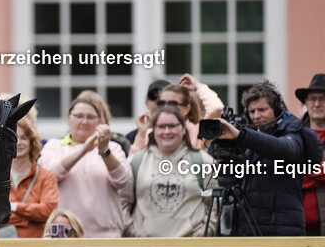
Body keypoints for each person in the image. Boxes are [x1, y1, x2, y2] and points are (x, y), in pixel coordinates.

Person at [210, 80, 323, 236]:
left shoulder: (292, 130)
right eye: (252, 111)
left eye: (262, 109)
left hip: (283, 231)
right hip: (248, 229)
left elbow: (282, 149)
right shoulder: (248, 138)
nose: (256, 116)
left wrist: (241, 136)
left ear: (277, 109)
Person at [38, 91, 131, 238]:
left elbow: (123, 180)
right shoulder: (53, 146)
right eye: (79, 116)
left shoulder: (113, 147)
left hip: (105, 235)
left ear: (100, 121)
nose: (84, 121)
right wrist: (83, 150)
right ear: (69, 117)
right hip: (65, 235)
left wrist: (104, 151)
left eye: (91, 117)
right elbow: (49, 177)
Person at [125, 106, 217, 237]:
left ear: (184, 129)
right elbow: (121, 200)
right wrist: (130, 230)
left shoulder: (204, 161)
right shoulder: (135, 161)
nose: (167, 131)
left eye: (172, 126)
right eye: (161, 126)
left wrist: (206, 231)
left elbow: (216, 202)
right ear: (153, 130)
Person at [130, 74, 223, 153]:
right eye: (162, 103)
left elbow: (216, 108)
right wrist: (141, 135)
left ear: (186, 109)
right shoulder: (151, 134)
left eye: (172, 103)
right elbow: (133, 165)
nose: (166, 107)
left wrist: (198, 86)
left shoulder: (197, 132)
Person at [4, 121, 58, 238]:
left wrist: (14, 207)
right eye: (14, 137)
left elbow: (48, 211)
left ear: (32, 142)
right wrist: (30, 217)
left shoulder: (46, 176)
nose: (18, 143)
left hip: (34, 245)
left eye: (24, 138)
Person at [295, 74, 325, 235]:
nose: (317, 104)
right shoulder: (293, 135)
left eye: (322, 99)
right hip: (296, 226)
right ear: (306, 103)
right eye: (313, 98)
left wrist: (302, 171)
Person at [126, 79, 170, 147]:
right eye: (153, 97)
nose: (158, 101)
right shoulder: (131, 138)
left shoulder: (184, 133)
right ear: (146, 102)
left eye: (164, 98)